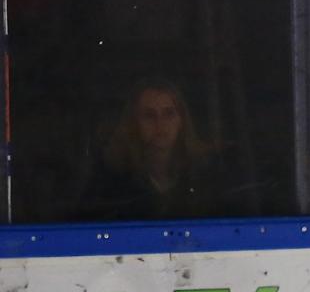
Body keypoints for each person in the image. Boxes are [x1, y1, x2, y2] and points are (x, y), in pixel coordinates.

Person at [75, 79, 225, 221]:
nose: (160, 124)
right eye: (149, 115)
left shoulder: (206, 175)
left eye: (168, 113)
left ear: (182, 121)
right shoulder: (110, 183)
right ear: (134, 123)